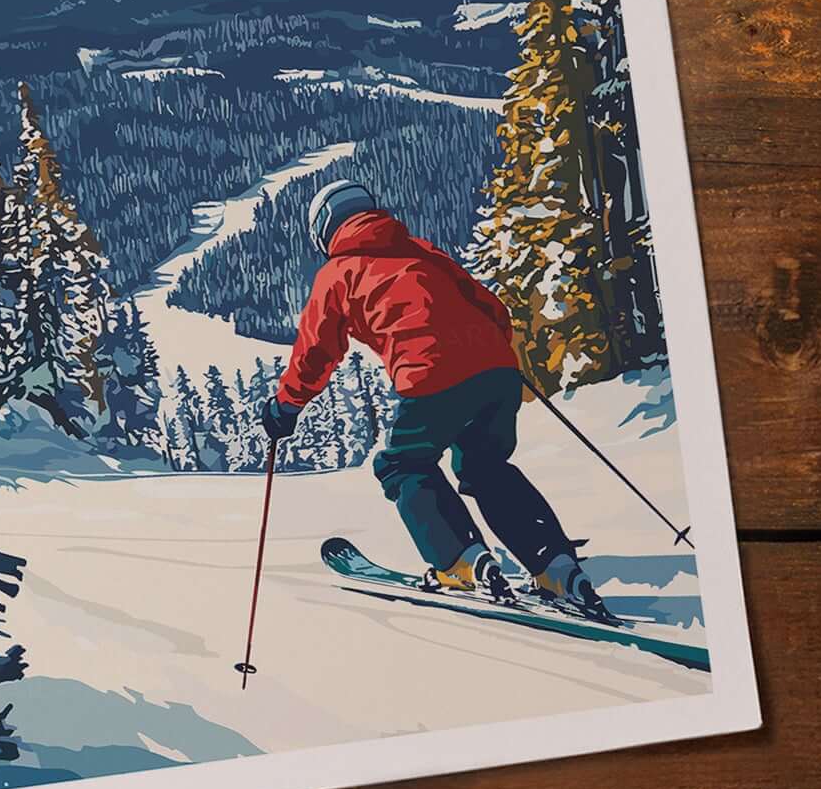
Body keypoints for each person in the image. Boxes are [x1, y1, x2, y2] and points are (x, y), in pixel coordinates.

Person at [260, 179, 611, 618]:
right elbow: (491, 307)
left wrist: (285, 408)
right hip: (496, 371)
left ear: (324, 231)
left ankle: (460, 562)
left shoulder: (337, 274)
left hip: (431, 374)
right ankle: (556, 567)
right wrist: (493, 358)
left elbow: (316, 352)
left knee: (404, 465)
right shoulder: (420, 250)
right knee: (486, 467)